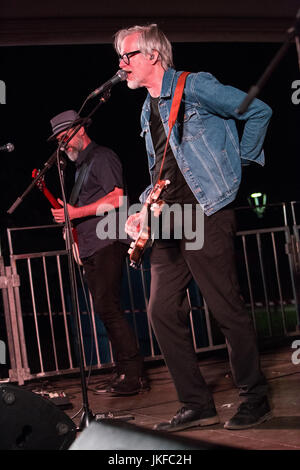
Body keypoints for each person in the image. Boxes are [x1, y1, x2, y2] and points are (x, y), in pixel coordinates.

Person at [114, 24, 273, 431]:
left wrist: (240, 167)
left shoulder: (195, 85)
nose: (121, 64)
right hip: (169, 218)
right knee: (161, 310)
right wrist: (140, 210)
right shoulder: (147, 109)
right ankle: (196, 403)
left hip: (206, 211)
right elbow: (164, 169)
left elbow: (258, 110)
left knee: (225, 308)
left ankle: (255, 397)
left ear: (152, 55)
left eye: (127, 55)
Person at [49, 110, 148, 396]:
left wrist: (76, 212)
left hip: (107, 242)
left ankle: (134, 375)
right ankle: (123, 372)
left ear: (80, 131)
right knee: (106, 310)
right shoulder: (81, 166)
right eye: (57, 140)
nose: (61, 144)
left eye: (64, 137)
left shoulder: (102, 156)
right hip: (92, 245)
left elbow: (117, 198)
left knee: (109, 308)